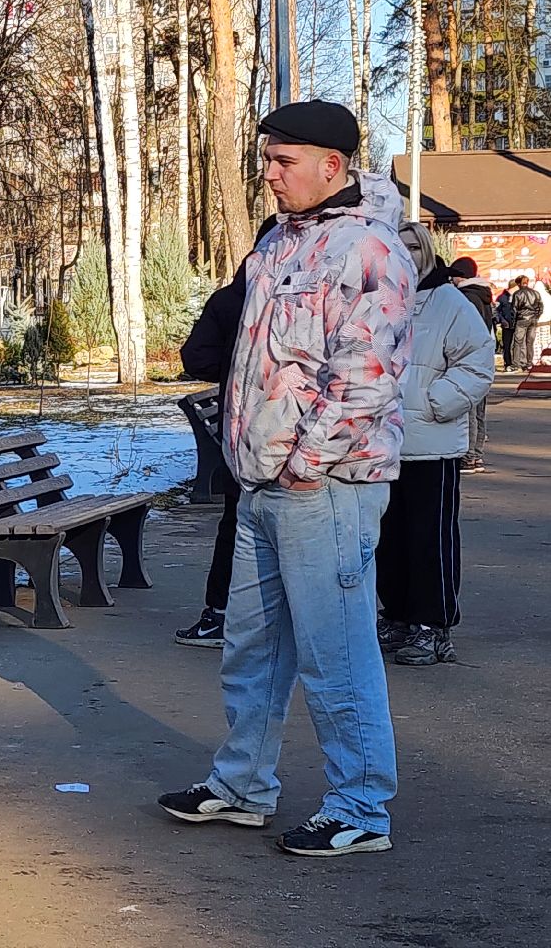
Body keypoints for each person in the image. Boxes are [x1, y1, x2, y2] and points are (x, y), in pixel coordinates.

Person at [158, 100, 416, 858]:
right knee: (252, 648)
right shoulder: (277, 243)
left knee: (336, 654)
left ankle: (360, 807)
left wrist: (305, 463)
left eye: (283, 161)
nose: (269, 174)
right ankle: (242, 785)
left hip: (325, 487)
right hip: (262, 483)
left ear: (332, 166)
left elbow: (365, 378)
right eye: (266, 159)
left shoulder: (369, 248)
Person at [375, 232, 492, 667]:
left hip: (431, 445)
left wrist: (435, 402)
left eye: (414, 247)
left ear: (427, 251)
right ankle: (398, 615)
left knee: (430, 539)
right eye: (398, 246)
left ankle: (433, 624)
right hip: (381, 445)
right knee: (388, 540)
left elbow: (477, 363)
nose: (406, 255)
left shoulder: (449, 303)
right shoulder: (381, 298)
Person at [173, 218, 278, 648]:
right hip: (294, 428)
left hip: (244, 426)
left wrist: (234, 371)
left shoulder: (232, 296)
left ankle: (220, 611)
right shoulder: (299, 295)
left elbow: (196, 357)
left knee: (238, 521)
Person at [447, 257, 494, 472]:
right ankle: (477, 455)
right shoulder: (483, 295)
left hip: (469, 358)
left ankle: (469, 456)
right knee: (479, 410)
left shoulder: (467, 297)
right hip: (484, 358)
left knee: (469, 411)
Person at [509, 275, 543, 371]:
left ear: (519, 283)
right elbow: (541, 307)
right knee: (530, 342)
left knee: (518, 342)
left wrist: (513, 322)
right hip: (533, 320)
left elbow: (514, 310)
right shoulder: (536, 293)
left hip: (521, 319)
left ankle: (516, 364)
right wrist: (536, 317)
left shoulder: (517, 294)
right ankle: (529, 363)